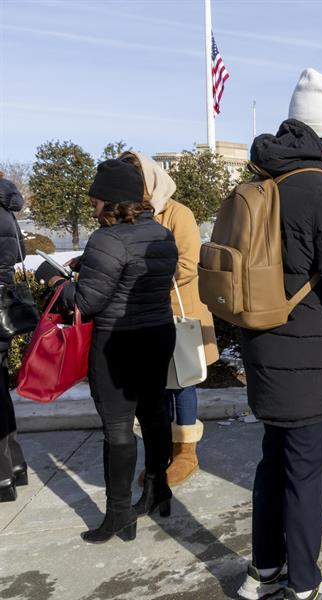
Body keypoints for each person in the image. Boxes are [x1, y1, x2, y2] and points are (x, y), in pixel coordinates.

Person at [236, 68, 322, 600]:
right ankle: (304, 585)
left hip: (264, 348)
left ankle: (265, 572)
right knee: (307, 476)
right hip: (314, 359)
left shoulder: (260, 184)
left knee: (273, 464)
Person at [49, 160, 177, 542]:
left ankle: (120, 513)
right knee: (154, 415)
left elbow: (86, 302)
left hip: (117, 344)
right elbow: (140, 275)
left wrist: (54, 281)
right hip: (158, 335)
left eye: (96, 201)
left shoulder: (106, 239)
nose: (93, 209)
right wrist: (91, 265)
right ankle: (158, 490)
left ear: (111, 200)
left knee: (118, 427)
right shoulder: (161, 233)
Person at [119, 151, 219, 486]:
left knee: (183, 382)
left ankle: (186, 452)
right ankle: (160, 450)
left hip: (178, 312)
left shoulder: (178, 213)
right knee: (156, 385)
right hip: (142, 314)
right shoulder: (126, 215)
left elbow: (189, 264)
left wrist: (143, 278)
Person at [0, 174, 28, 503]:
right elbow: (21, 251)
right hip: (3, 306)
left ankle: (3, 472)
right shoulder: (6, 208)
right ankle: (14, 465)